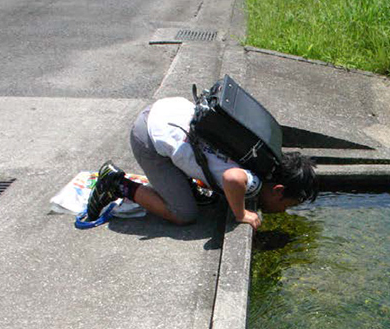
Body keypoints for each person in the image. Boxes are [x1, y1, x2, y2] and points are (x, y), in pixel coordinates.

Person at [86, 95, 318, 229]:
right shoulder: (255, 181)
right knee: (184, 214)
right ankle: (118, 184)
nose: (282, 211)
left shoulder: (264, 156)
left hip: (171, 111)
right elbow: (232, 178)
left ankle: (186, 187)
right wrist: (240, 214)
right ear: (278, 191)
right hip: (148, 137)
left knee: (202, 181)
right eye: (286, 206)